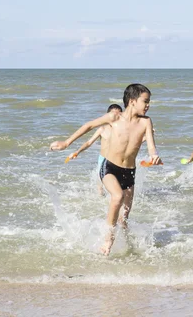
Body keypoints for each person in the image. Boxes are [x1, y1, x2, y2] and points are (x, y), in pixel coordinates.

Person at [50, 84, 161, 256]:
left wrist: (154, 156)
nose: (148, 105)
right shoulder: (114, 117)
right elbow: (89, 125)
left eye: (149, 102)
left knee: (124, 218)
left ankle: (127, 246)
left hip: (129, 172)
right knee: (117, 197)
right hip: (109, 168)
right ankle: (108, 239)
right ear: (132, 101)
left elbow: (151, 146)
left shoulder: (146, 122)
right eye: (145, 101)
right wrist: (67, 143)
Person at [66, 104, 123, 196]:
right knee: (100, 185)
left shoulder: (123, 130)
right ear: (107, 116)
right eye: (113, 114)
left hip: (116, 160)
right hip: (103, 159)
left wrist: (144, 139)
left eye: (119, 114)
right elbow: (89, 142)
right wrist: (77, 151)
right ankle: (100, 200)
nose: (115, 117)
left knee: (117, 186)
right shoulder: (102, 129)